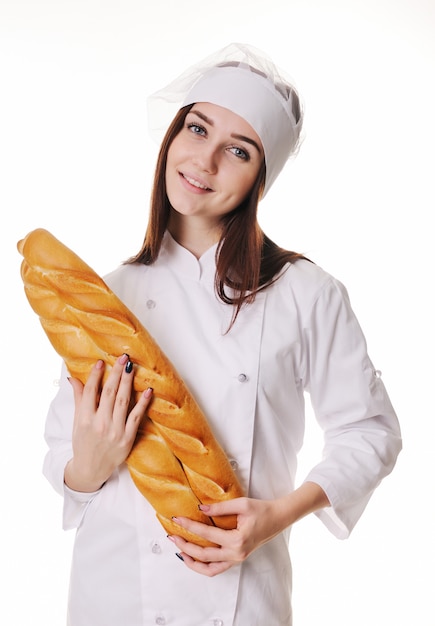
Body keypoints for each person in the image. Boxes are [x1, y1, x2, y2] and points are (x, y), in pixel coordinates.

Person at [43, 43, 402, 626]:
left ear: (261, 177)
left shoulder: (305, 293)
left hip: (243, 602)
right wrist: (91, 460)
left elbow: (370, 431)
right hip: (111, 595)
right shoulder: (104, 296)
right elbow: (65, 465)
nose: (203, 162)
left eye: (237, 150)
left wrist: (276, 518)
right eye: (196, 128)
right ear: (172, 136)